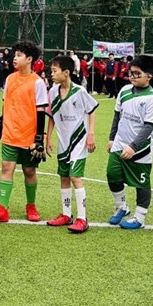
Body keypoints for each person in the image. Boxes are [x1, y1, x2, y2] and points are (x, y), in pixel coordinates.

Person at [0, 40, 49, 224]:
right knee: (6, 168)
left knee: (29, 171)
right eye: (15, 54)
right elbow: (7, 103)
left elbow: (41, 111)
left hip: (29, 137)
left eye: (19, 55)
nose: (15, 58)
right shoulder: (10, 78)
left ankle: (31, 206)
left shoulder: (38, 82)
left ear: (29, 59)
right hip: (10, 133)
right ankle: (2, 209)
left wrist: (39, 138)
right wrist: (2, 121)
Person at [106, 54, 153, 229]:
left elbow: (149, 126)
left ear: (149, 76)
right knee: (112, 175)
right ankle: (122, 207)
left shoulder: (152, 99)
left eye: (137, 73)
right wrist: (112, 138)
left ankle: (140, 218)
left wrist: (133, 146)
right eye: (131, 73)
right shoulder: (124, 91)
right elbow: (117, 116)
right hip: (119, 143)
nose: (132, 76)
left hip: (141, 148)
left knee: (141, 182)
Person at [44, 54, 97, 233]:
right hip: (63, 142)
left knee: (75, 177)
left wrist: (91, 134)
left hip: (79, 141)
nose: (52, 74)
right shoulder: (53, 92)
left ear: (66, 73)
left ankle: (83, 218)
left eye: (54, 71)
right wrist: (48, 136)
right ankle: (66, 214)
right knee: (64, 177)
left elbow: (92, 110)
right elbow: (51, 115)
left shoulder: (80, 91)